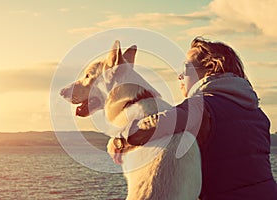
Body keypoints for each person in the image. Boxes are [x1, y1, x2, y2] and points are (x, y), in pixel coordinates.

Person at [108, 37, 277, 199]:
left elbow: (159, 124)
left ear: (210, 68)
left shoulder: (201, 106)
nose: (179, 76)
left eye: (186, 69)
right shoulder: (258, 114)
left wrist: (120, 141)